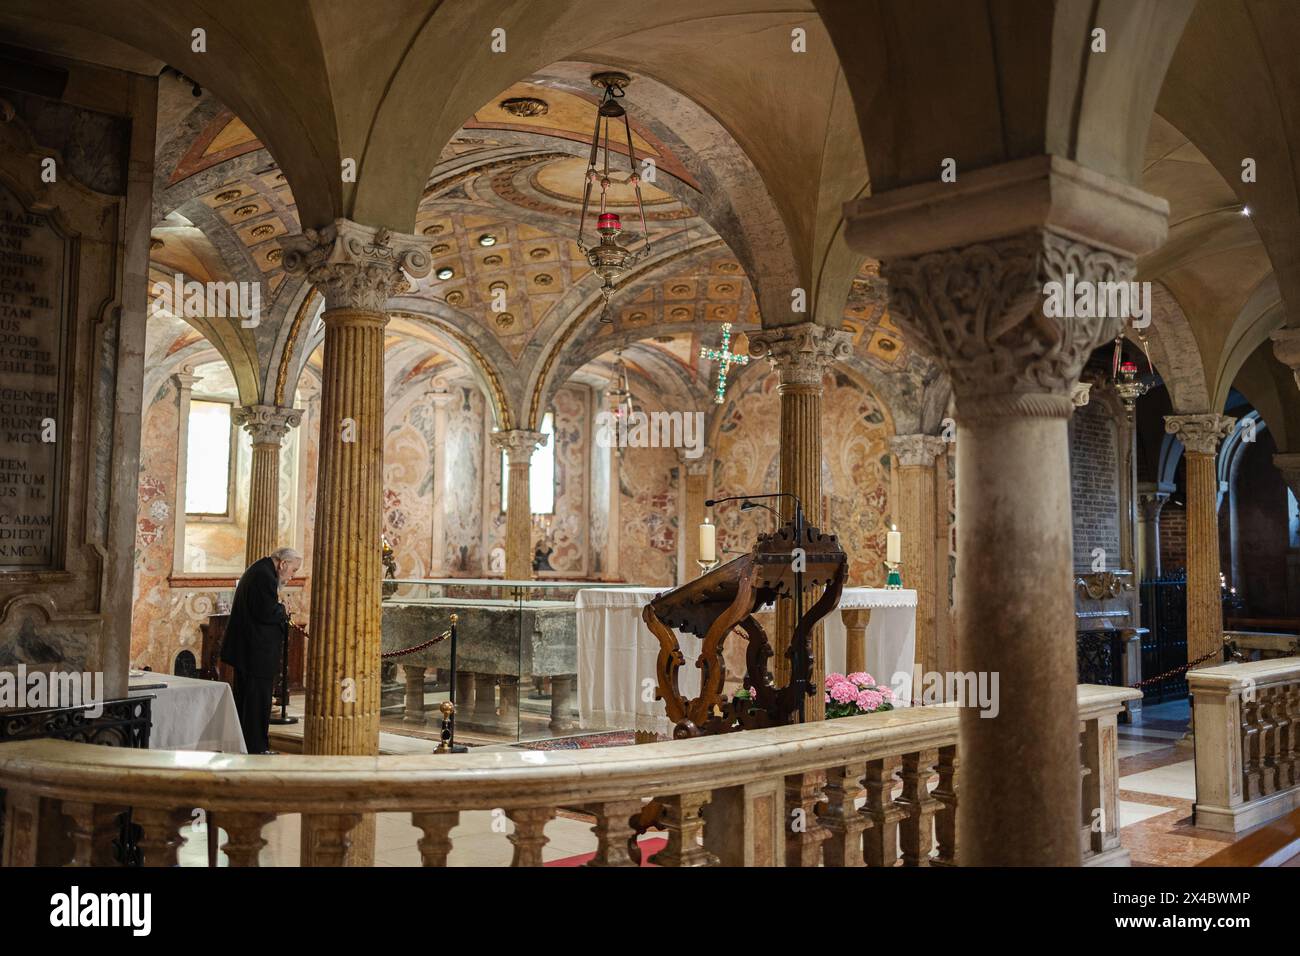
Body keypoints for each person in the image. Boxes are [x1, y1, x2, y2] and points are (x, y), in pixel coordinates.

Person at [220, 547, 302, 754]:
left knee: (250, 702)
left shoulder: (261, 571)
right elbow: (265, 612)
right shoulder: (263, 576)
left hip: (251, 652)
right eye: (293, 570)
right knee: (256, 704)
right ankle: (256, 748)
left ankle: (247, 746)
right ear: (283, 564)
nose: (293, 576)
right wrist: (283, 610)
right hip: (255, 654)